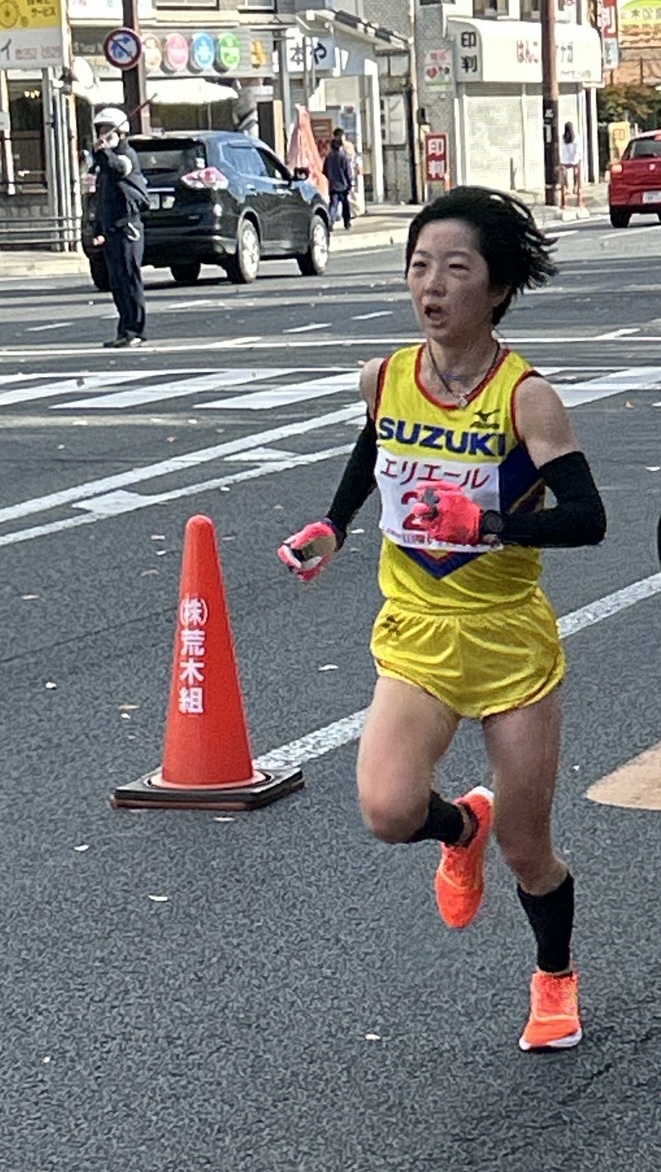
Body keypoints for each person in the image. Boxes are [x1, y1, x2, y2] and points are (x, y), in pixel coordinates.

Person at [277, 187, 606, 1051]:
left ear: (495, 289)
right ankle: (460, 824)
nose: (431, 286)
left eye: (455, 269)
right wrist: (331, 526)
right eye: (419, 266)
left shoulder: (525, 397)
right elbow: (373, 447)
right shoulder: (382, 377)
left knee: (529, 852)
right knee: (387, 809)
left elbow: (587, 516)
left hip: (506, 640)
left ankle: (553, 979)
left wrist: (491, 523)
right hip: (417, 630)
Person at [91, 107, 149, 349]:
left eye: (108, 130)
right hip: (112, 230)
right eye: (100, 130)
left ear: (121, 132)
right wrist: (97, 228)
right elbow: (101, 199)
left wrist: (103, 153)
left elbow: (117, 167)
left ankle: (135, 330)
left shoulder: (127, 155)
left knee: (129, 280)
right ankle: (124, 330)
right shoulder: (103, 166)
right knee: (116, 283)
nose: (104, 135)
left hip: (127, 229)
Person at [322, 135, 353, 231]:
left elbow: (324, 171)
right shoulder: (344, 157)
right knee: (345, 205)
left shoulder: (328, 157)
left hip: (333, 185)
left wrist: (331, 178)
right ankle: (347, 223)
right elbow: (348, 172)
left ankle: (330, 223)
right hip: (343, 185)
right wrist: (350, 183)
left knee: (333, 205)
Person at [560, 122, 582, 208]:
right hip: (575, 160)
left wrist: (562, 160)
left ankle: (564, 202)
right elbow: (577, 150)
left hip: (565, 161)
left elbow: (562, 150)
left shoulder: (563, 138)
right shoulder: (575, 137)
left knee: (563, 181)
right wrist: (576, 159)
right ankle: (578, 198)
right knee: (577, 178)